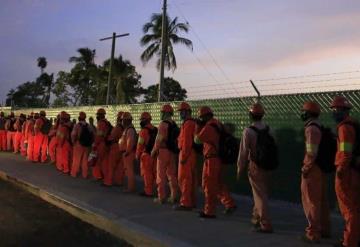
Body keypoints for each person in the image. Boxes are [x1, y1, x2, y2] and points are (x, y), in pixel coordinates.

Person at [194, 106, 236, 218]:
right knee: (217, 184)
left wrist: (197, 127)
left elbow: (197, 140)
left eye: (201, 117)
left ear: (205, 116)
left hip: (211, 160)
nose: (201, 119)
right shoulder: (217, 123)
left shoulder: (209, 127)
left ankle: (209, 211)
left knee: (208, 186)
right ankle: (229, 203)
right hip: (217, 159)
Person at [237, 103, 273, 231]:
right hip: (268, 165)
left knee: (259, 195)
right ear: (262, 115)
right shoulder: (269, 129)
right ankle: (256, 218)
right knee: (262, 193)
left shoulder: (248, 131)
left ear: (250, 115)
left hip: (255, 166)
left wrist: (240, 169)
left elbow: (243, 153)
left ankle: (265, 224)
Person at [330, 96, 360, 247]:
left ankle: (349, 242)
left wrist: (341, 169)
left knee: (349, 209)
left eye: (335, 109)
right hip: (354, 170)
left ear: (343, 111)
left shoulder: (344, 127)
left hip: (347, 172)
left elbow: (345, 152)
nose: (334, 112)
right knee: (354, 207)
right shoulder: (353, 124)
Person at [300, 101, 331, 243]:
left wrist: (306, 168)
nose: (302, 113)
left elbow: (311, 152)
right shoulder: (320, 127)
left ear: (308, 113)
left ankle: (313, 234)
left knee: (311, 201)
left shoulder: (311, 129)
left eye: (303, 111)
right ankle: (324, 229)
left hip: (313, 169)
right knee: (320, 201)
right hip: (320, 168)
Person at [151, 104, 178, 204]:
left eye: (162, 112)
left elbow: (159, 139)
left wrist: (153, 151)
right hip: (172, 151)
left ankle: (161, 197)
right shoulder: (174, 124)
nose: (161, 114)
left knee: (161, 175)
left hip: (162, 152)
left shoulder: (163, 124)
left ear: (166, 113)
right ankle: (173, 196)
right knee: (172, 175)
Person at [174, 102, 197, 210]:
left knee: (184, 179)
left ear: (187, 112)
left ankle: (185, 203)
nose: (180, 114)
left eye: (182, 111)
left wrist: (183, 157)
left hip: (186, 154)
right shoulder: (190, 123)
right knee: (189, 179)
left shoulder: (188, 124)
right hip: (190, 154)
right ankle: (191, 201)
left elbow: (187, 142)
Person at [136, 112, 157, 197]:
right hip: (155, 154)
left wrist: (137, 155)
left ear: (146, 120)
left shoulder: (143, 131)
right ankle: (157, 191)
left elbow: (140, 144)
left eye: (142, 120)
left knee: (147, 174)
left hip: (146, 155)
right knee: (154, 173)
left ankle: (148, 191)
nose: (141, 121)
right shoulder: (155, 129)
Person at [103, 111, 124, 186]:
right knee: (120, 167)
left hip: (115, 147)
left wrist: (106, 138)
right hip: (122, 148)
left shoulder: (118, 127)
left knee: (111, 165)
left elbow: (111, 137)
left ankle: (108, 182)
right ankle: (119, 181)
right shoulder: (126, 127)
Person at [119, 112, 137, 193]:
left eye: (123, 120)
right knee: (128, 171)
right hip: (126, 153)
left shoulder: (130, 130)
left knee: (129, 171)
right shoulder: (127, 129)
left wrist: (127, 152)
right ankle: (129, 187)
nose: (122, 122)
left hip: (128, 153)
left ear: (127, 121)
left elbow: (130, 142)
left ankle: (131, 188)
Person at [92, 108, 111, 180]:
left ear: (100, 115)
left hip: (100, 144)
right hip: (106, 144)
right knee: (104, 161)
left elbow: (99, 135)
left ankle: (98, 176)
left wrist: (95, 144)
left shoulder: (100, 123)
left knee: (95, 160)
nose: (97, 116)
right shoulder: (107, 122)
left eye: (98, 115)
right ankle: (105, 176)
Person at [70, 112, 91, 178]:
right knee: (85, 161)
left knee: (76, 160)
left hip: (78, 144)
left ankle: (74, 173)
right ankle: (85, 174)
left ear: (79, 118)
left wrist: (73, 142)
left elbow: (73, 135)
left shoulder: (77, 125)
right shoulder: (88, 126)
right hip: (87, 145)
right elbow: (92, 135)